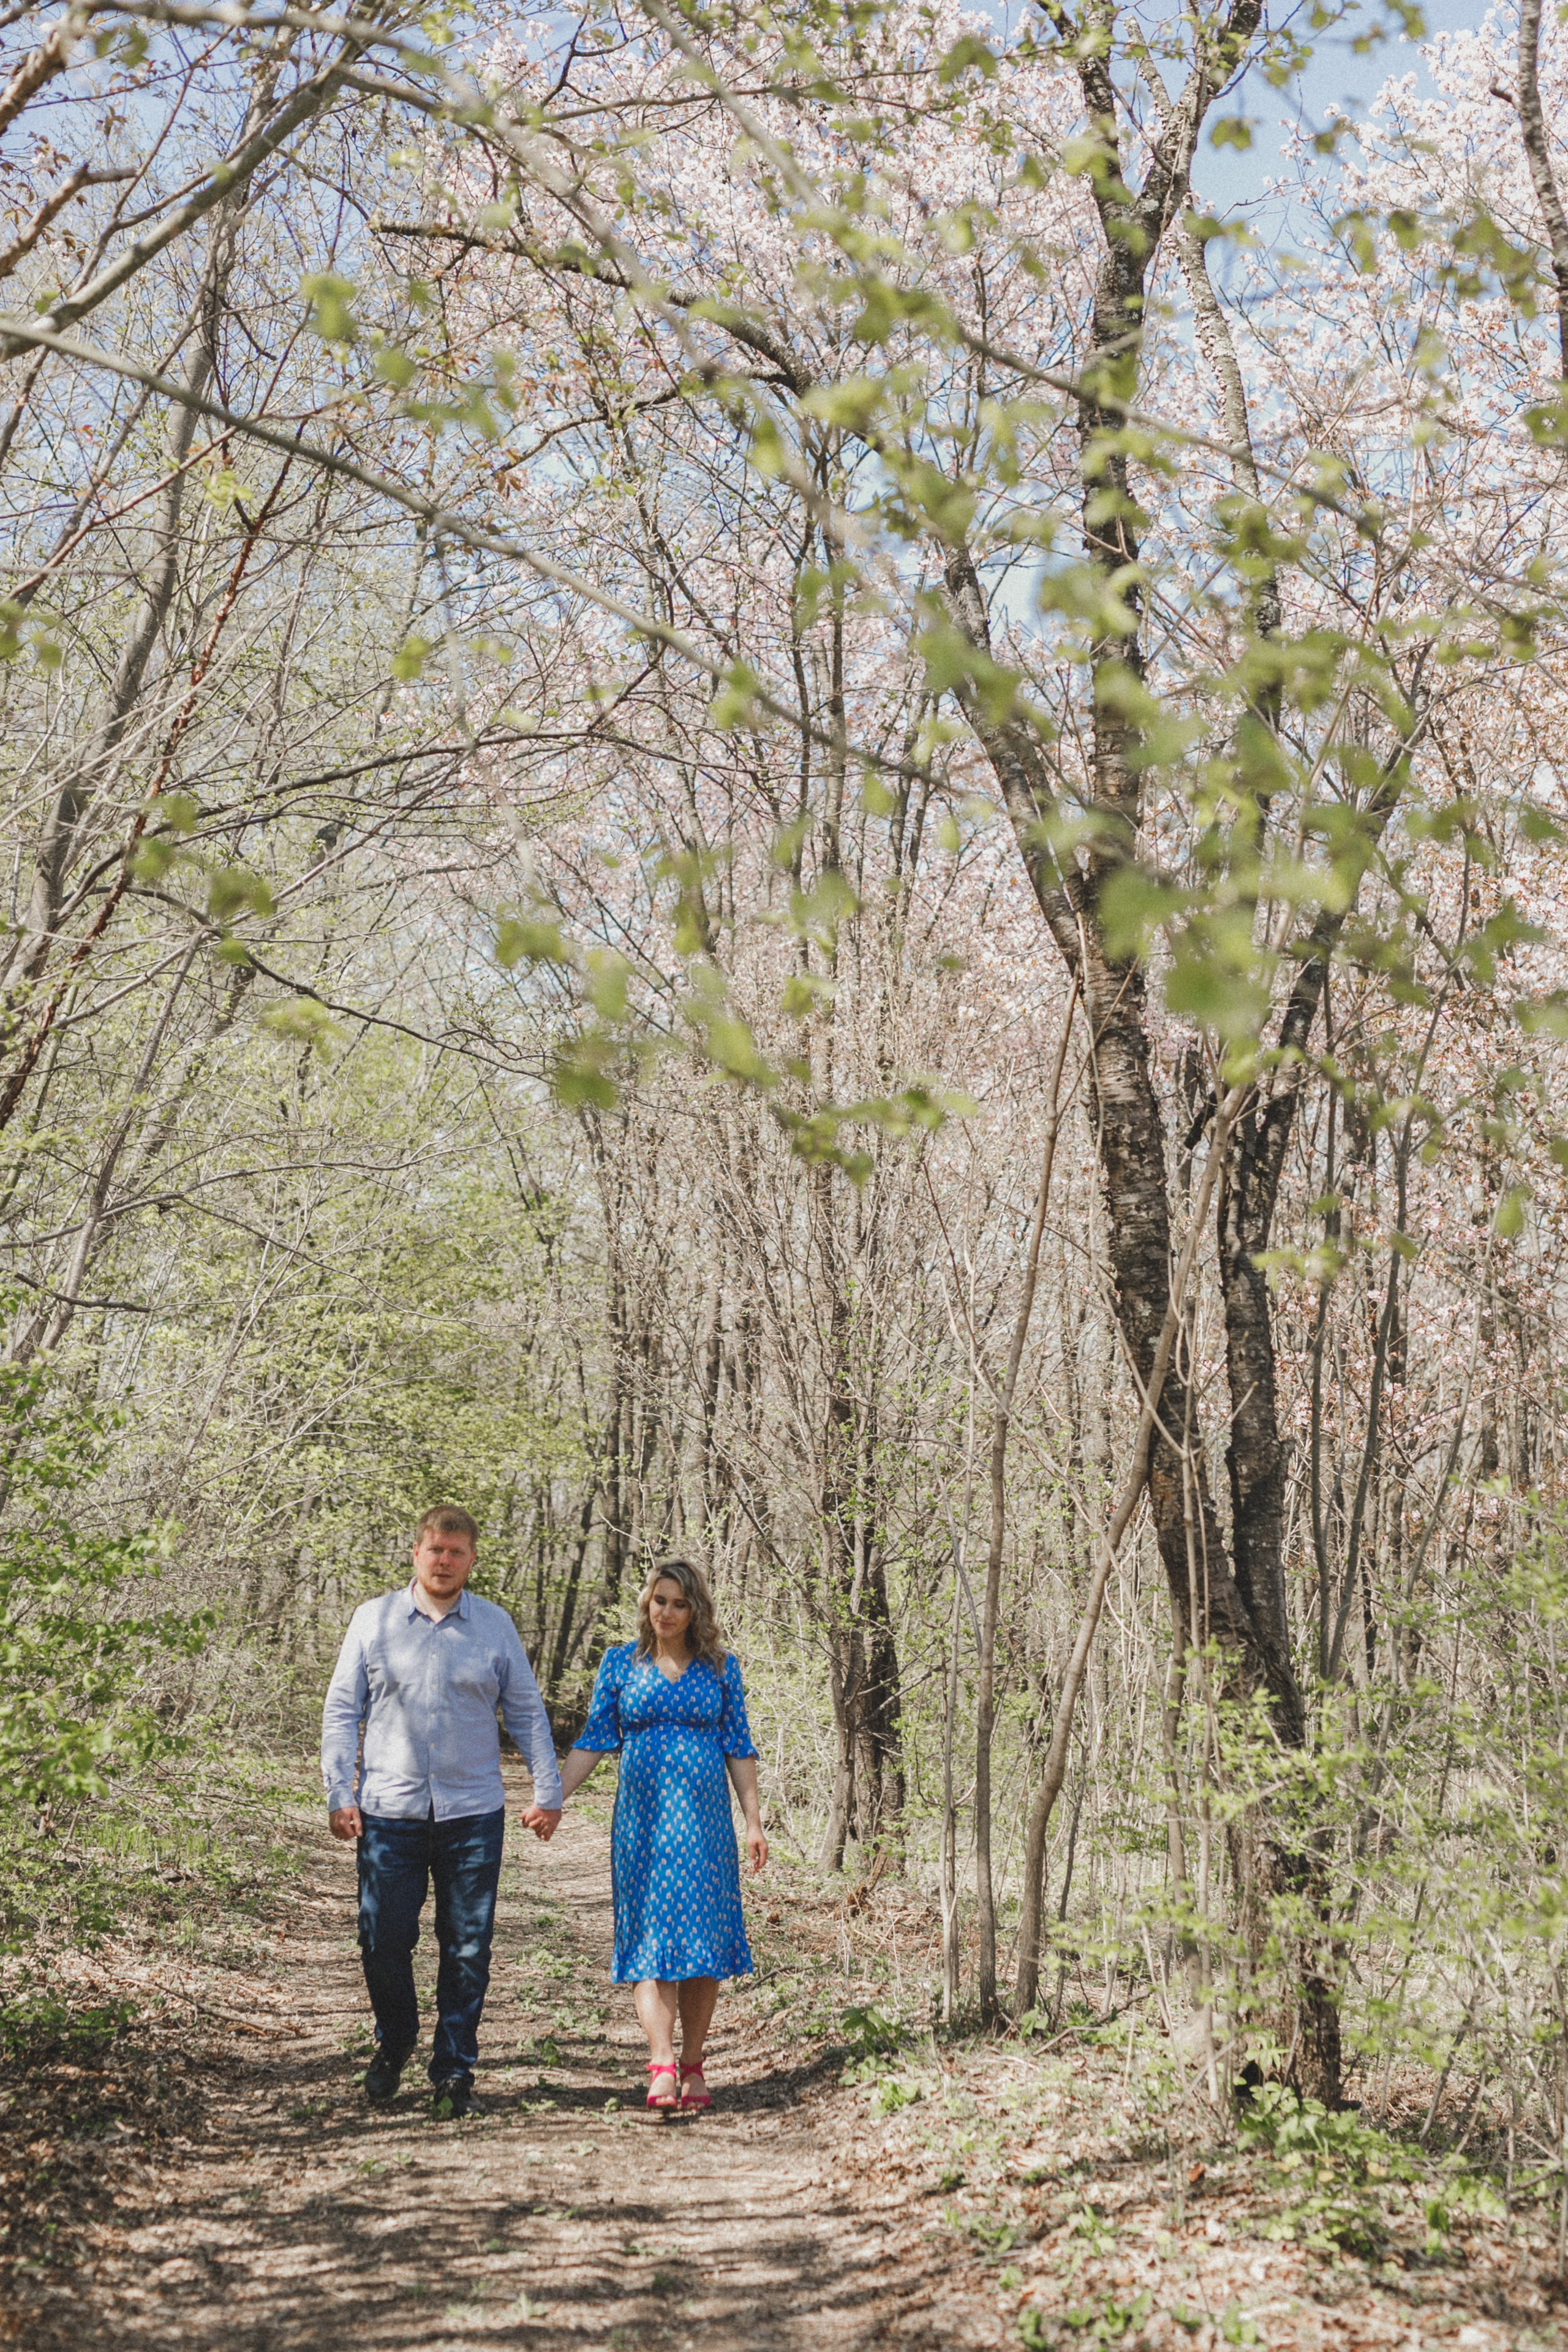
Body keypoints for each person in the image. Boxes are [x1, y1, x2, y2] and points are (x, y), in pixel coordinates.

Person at [320, 1506, 564, 2119]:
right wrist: (339, 1791)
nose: (445, 1561)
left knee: (467, 1948)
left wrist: (548, 1790)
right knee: (382, 1939)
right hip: (388, 1813)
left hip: (472, 1815)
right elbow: (342, 1710)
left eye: (457, 1552)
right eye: (436, 1550)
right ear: (416, 1553)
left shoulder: (494, 1626)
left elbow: (527, 1712)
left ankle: (454, 2071)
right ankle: (396, 2039)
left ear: (472, 1559)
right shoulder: (373, 1620)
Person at [546, 1557, 767, 2113]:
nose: (666, 1612)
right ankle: (662, 2064)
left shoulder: (721, 1669)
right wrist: (553, 1798)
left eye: (679, 1604)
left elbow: (739, 1746)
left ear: (696, 1611)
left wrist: (754, 1822)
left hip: (705, 1828)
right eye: (659, 1601)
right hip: (642, 1827)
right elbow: (594, 1739)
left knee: (705, 1944)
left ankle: (693, 2064)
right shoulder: (621, 1664)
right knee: (649, 1938)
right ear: (648, 1603)